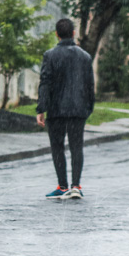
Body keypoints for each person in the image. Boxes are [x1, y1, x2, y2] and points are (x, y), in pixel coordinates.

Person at [35, 18, 95, 200]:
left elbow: (45, 83)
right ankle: (76, 185)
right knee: (77, 147)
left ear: (56, 34)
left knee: (58, 147)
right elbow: (90, 85)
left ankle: (62, 186)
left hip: (56, 110)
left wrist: (41, 109)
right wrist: (88, 107)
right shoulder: (85, 57)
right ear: (74, 33)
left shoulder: (50, 55)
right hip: (78, 110)